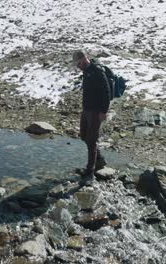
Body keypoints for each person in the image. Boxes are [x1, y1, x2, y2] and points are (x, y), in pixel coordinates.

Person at [72, 50, 110, 184]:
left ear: (83, 59)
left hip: (96, 111)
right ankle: (99, 159)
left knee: (91, 140)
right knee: (83, 135)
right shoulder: (86, 71)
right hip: (86, 110)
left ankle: (90, 172)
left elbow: (106, 92)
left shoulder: (97, 71)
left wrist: (103, 112)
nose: (77, 67)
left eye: (77, 64)